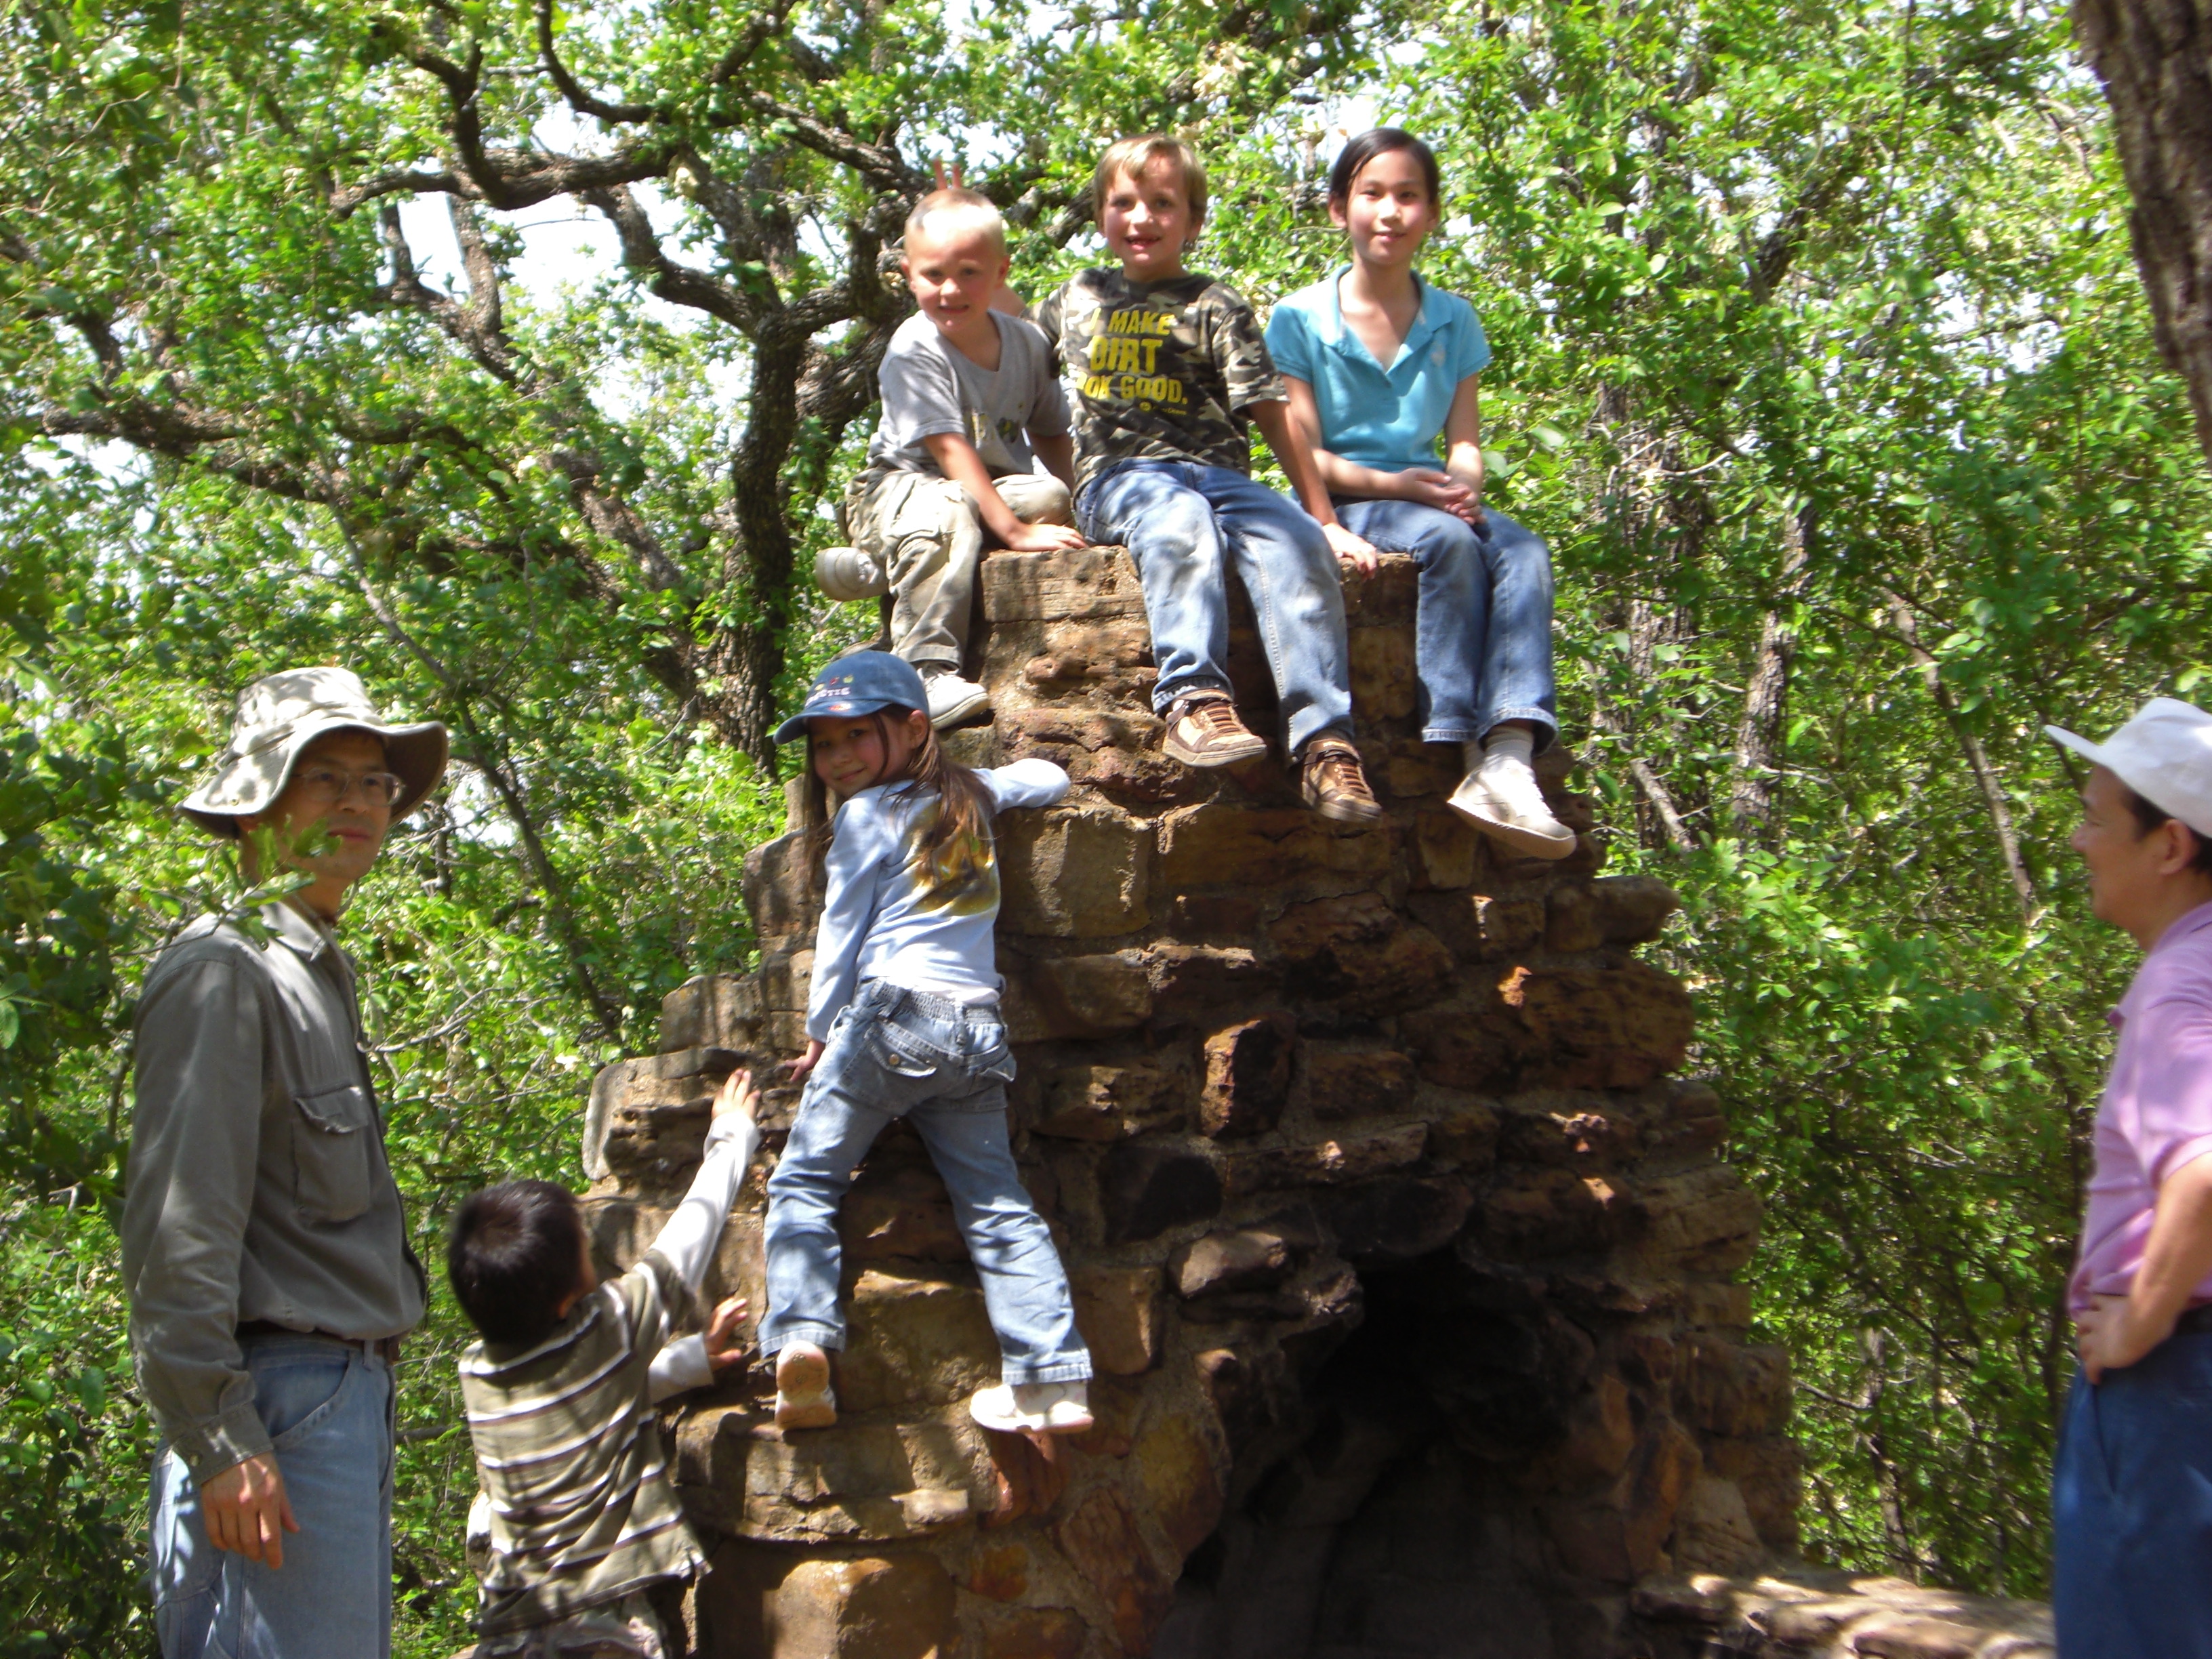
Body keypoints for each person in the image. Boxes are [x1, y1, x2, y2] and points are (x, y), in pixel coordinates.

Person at [124, 667, 449, 1659]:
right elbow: (180, 1229)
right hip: (274, 1407)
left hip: (332, 1402)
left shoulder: (310, 967)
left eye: (374, 782)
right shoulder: (225, 972)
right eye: (324, 777)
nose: (358, 801)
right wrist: (221, 1440)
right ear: (255, 805)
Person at [759, 651, 1095, 1435]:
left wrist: (818, 1035)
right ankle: (1054, 1383)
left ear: (915, 729)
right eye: (824, 744)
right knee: (997, 1204)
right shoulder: (972, 794)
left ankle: (803, 1344)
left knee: (804, 1182)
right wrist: (1010, 780)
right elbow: (1047, 779)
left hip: (893, 1018)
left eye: (856, 736)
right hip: (977, 1030)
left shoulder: (864, 816)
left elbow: (840, 933)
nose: (838, 758)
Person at [1031, 134, 1383, 824]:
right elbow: (1006, 350)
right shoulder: (1074, 297)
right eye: (1124, 202)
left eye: (1163, 204)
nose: (1142, 218)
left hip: (1220, 477)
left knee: (1292, 542)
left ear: (1193, 220)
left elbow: (1272, 412)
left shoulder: (1216, 303)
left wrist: (1324, 519)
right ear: (1100, 214)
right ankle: (1194, 700)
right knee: (1178, 521)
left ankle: (1324, 744)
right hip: (1123, 478)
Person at [1267, 127, 1573, 858]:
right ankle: (1459, 738)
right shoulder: (1299, 317)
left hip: (1430, 494)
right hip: (1353, 498)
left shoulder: (1453, 319)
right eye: (1372, 193)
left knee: (1525, 551)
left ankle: (1509, 752)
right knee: (1448, 543)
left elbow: (1464, 441)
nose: (1390, 211)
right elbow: (1307, 456)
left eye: (1408, 196)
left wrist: (1462, 485)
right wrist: (1406, 489)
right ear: (1339, 209)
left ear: (1432, 213)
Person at [447, 1069, 761, 1658]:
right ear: (567, 1301)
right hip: (600, 1625)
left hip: (510, 1623)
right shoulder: (607, 1328)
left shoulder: (478, 1373)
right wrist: (732, 1136)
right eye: (584, 1244)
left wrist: (690, 1361)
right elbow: (687, 1243)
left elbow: (590, 1405)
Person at [2046, 696, 2212, 1657]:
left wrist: (2140, 1323)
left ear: (2171, 846)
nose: (2078, 841)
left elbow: (2203, 1171)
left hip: (2173, 1395)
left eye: (2097, 818)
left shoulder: (2180, 987)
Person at [825, 186, 1088, 731]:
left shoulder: (1027, 345)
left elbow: (1050, 433)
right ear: (908, 275)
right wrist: (1013, 532)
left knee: (1051, 496)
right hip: (897, 488)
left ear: (1000, 273)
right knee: (947, 510)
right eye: (934, 274)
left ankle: (893, 563)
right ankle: (925, 669)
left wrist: (1086, 508)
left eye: (969, 273)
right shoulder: (914, 348)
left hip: (981, 486)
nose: (950, 290)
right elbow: (950, 449)